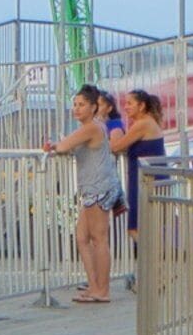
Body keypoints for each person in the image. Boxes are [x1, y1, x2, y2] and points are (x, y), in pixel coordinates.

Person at [48, 85, 119, 303]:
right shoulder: (92, 127)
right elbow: (66, 146)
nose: (76, 109)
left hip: (98, 188)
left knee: (99, 238)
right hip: (91, 188)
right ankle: (94, 285)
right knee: (82, 237)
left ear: (93, 107)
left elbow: (64, 145)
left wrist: (55, 146)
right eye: (75, 105)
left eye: (82, 105)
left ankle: (102, 290)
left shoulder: (92, 127)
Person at [113, 89, 168, 262]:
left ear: (141, 105)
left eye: (130, 103)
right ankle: (154, 271)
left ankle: (153, 269)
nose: (126, 107)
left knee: (135, 229)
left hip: (146, 181)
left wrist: (113, 131)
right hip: (147, 179)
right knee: (148, 229)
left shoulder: (143, 123)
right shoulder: (147, 122)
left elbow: (116, 146)